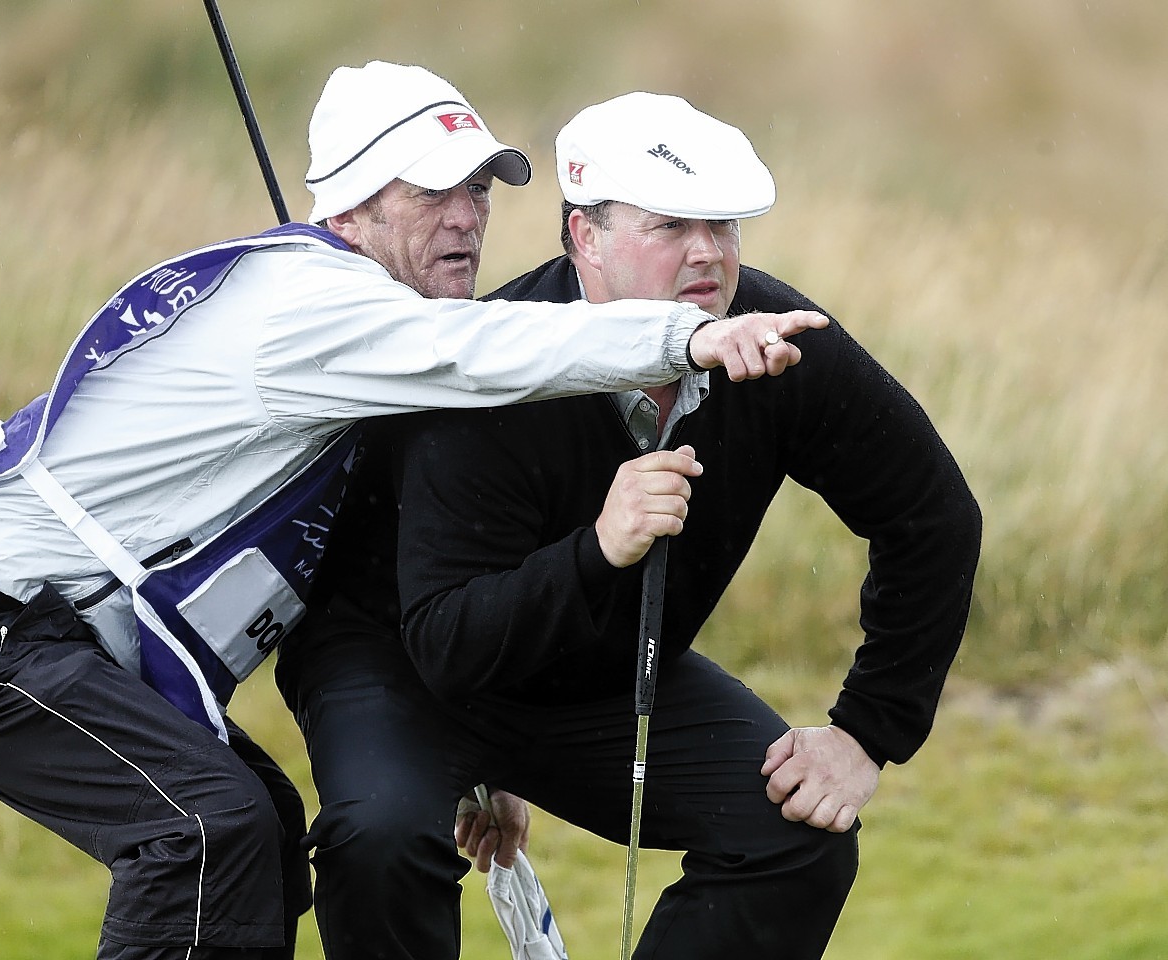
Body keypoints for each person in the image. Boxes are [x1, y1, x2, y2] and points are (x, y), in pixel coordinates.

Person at [0, 63, 826, 960]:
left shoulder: (351, 323)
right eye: (432, 190)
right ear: (348, 208)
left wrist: (475, 759)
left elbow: (402, 570)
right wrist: (681, 341)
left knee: (255, 833)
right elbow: (484, 355)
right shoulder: (312, 305)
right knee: (202, 832)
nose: (467, 216)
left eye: (478, 188)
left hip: (30, 624)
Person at [276, 91, 982, 959]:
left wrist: (867, 729)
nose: (707, 254)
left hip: (589, 672)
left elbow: (933, 517)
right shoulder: (486, 367)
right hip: (401, 657)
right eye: (670, 226)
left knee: (795, 834)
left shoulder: (774, 341)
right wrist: (596, 552)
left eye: (723, 228)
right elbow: (447, 643)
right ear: (585, 237)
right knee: (380, 838)